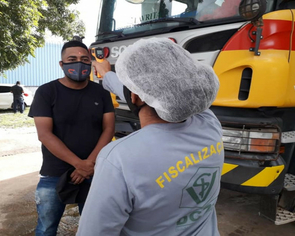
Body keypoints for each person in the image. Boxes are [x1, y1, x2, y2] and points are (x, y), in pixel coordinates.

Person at [77, 38, 224, 236]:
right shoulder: (208, 123)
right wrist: (107, 75)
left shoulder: (119, 159)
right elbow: (159, 92)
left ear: (135, 97)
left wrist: (106, 74)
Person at [28, 40, 115, 236]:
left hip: (94, 173)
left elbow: (109, 128)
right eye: (72, 59)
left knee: (94, 229)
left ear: (90, 63)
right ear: (62, 64)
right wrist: (79, 164)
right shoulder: (46, 92)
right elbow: (44, 134)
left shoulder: (100, 92)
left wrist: (89, 164)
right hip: (55, 174)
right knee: (46, 228)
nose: (79, 63)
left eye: (84, 59)